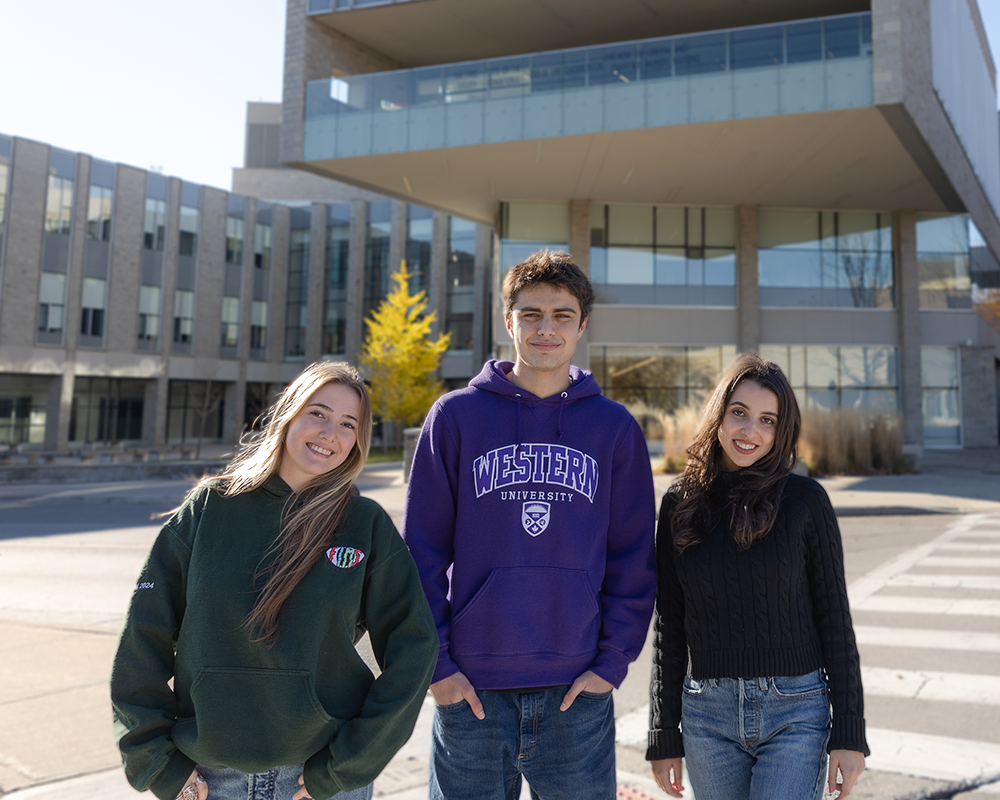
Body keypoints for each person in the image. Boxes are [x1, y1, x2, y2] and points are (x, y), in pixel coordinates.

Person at [111, 361, 438, 800]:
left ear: (357, 442)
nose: (329, 433)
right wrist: (156, 765)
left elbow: (414, 646)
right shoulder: (209, 510)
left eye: (347, 424)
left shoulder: (364, 524)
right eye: (317, 413)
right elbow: (140, 641)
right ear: (288, 414)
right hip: (211, 780)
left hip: (319, 780)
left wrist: (350, 765)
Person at [402, 250, 656, 800]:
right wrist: (438, 668)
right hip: (471, 692)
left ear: (582, 325)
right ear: (507, 319)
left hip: (575, 693)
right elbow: (419, 554)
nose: (546, 328)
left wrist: (611, 664)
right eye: (531, 313)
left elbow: (634, 558)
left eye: (562, 315)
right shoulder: (455, 417)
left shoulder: (613, 429)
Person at [646, 352, 869, 799]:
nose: (750, 432)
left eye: (768, 420)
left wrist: (848, 733)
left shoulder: (805, 502)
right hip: (707, 717)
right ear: (719, 414)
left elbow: (835, 620)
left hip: (796, 714)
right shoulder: (679, 504)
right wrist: (663, 731)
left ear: (781, 430)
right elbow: (670, 624)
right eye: (740, 413)